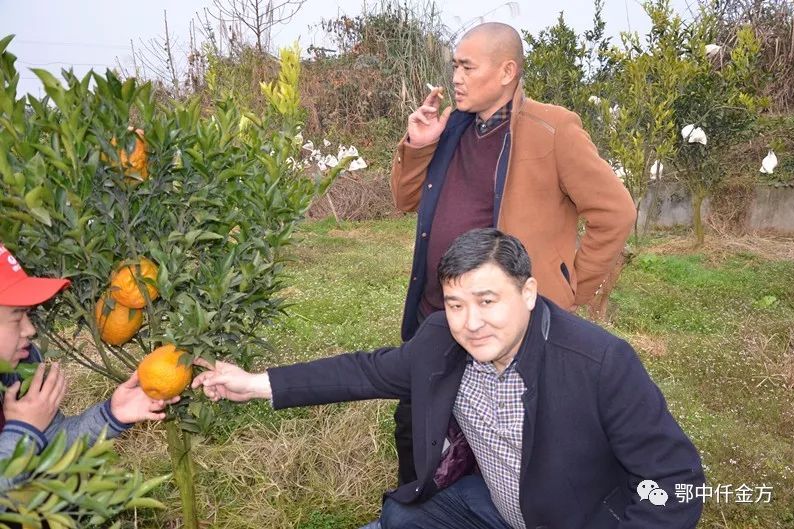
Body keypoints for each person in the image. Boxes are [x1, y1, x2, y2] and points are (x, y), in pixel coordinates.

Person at [193, 228, 704, 529]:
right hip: (496, 505)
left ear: (527, 293)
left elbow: (678, 481)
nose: (471, 323)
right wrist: (254, 383)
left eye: (487, 301)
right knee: (401, 518)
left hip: (573, 518)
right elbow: (364, 371)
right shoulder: (442, 338)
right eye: (457, 304)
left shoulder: (599, 362)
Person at [390, 22, 637, 484]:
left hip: (506, 324)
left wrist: (570, 288)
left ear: (506, 71)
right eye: (454, 66)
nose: (456, 77)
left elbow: (615, 211)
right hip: (438, 312)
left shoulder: (552, 128)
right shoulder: (452, 128)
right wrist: (419, 146)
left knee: (508, 440)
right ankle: (419, 505)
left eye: (467, 67)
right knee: (417, 426)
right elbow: (406, 201)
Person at [0, 243, 178, 490]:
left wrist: (110, 416)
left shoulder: (19, 368)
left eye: (27, 314)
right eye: (16, 317)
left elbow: (50, 445)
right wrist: (24, 432)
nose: (29, 330)